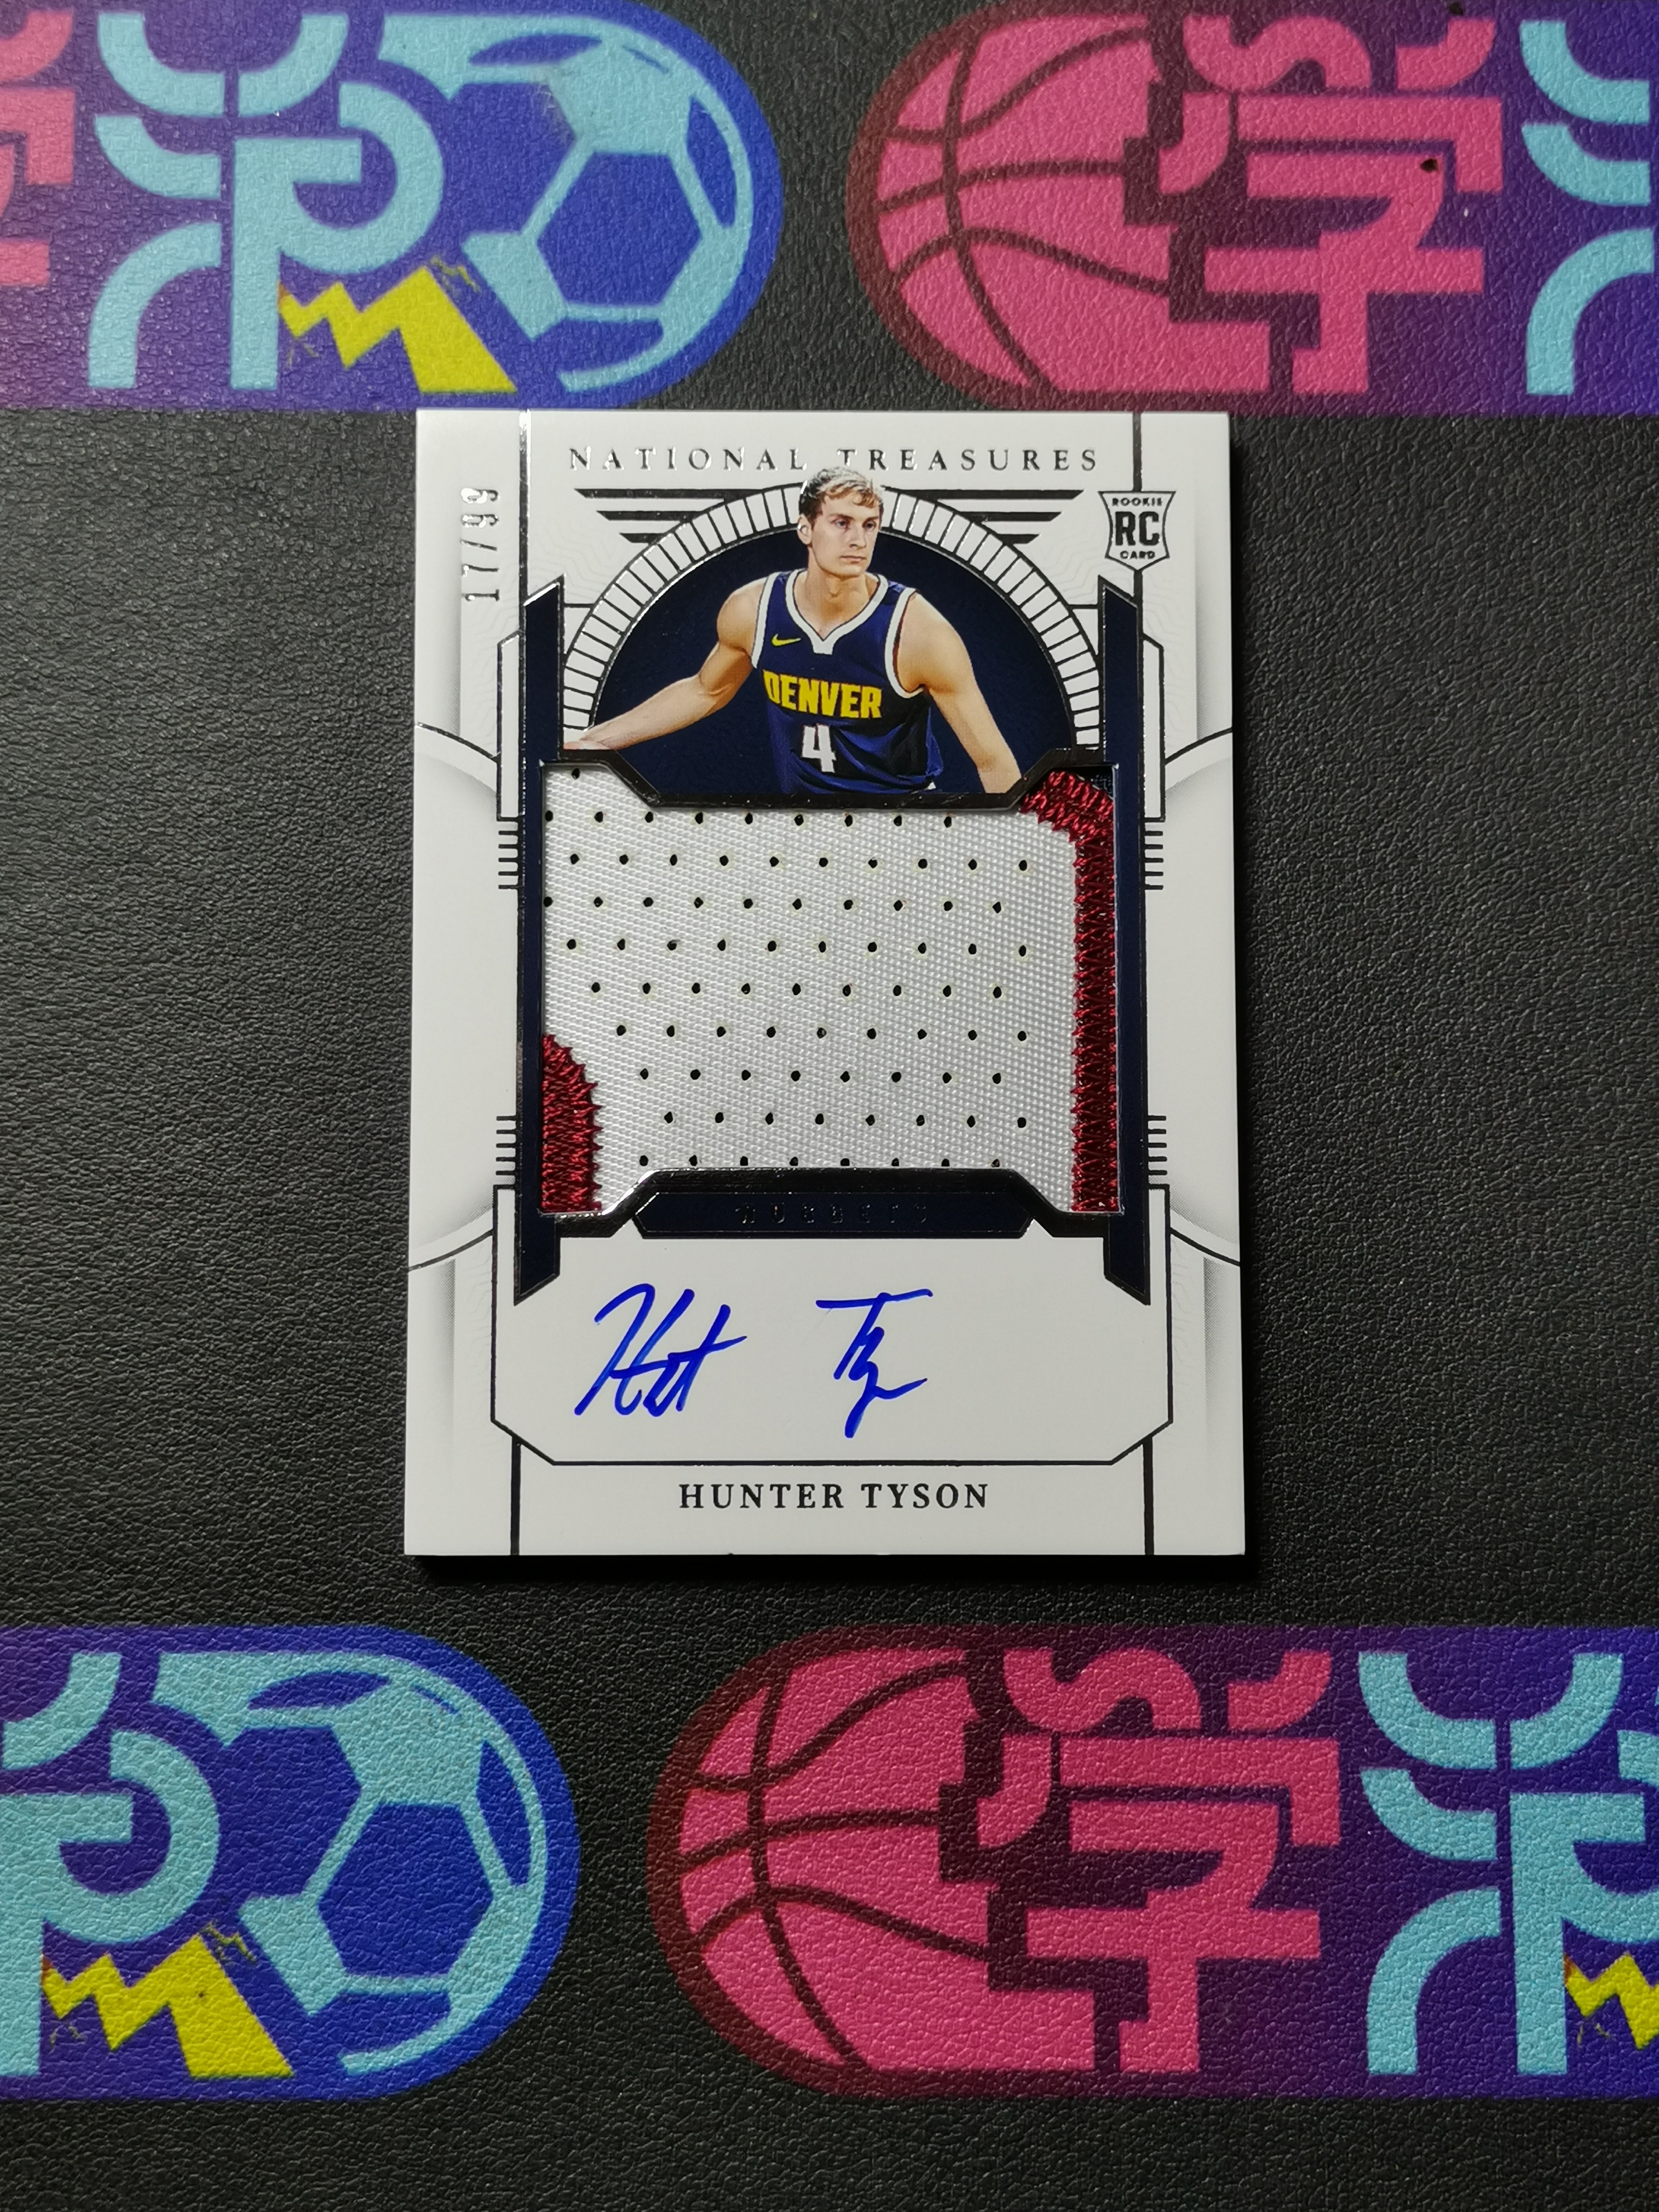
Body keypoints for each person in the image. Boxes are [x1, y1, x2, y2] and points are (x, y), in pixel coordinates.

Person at [568, 467, 1022, 795]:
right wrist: (594, 741)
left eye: (869, 526)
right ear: (806, 528)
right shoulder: (754, 609)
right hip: (801, 823)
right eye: (841, 523)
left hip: (901, 821)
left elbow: (992, 760)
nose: (858, 540)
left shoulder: (918, 631)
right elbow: (705, 691)